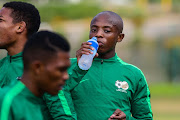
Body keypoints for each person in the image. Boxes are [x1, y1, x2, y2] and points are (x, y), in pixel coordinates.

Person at [45, 11, 153, 120]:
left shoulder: (134, 74)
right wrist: (78, 68)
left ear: (119, 37)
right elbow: (52, 94)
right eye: (94, 30)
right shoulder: (65, 66)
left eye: (107, 30)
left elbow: (145, 118)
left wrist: (127, 119)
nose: (98, 34)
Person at [0, 31, 72, 119]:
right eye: (61, 69)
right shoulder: (7, 100)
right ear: (37, 67)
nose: (66, 76)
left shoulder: (35, 102)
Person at [0, 1, 40, 88]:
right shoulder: (2, 65)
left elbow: (58, 101)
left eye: (0, 20)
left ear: (20, 27)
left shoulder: (44, 67)